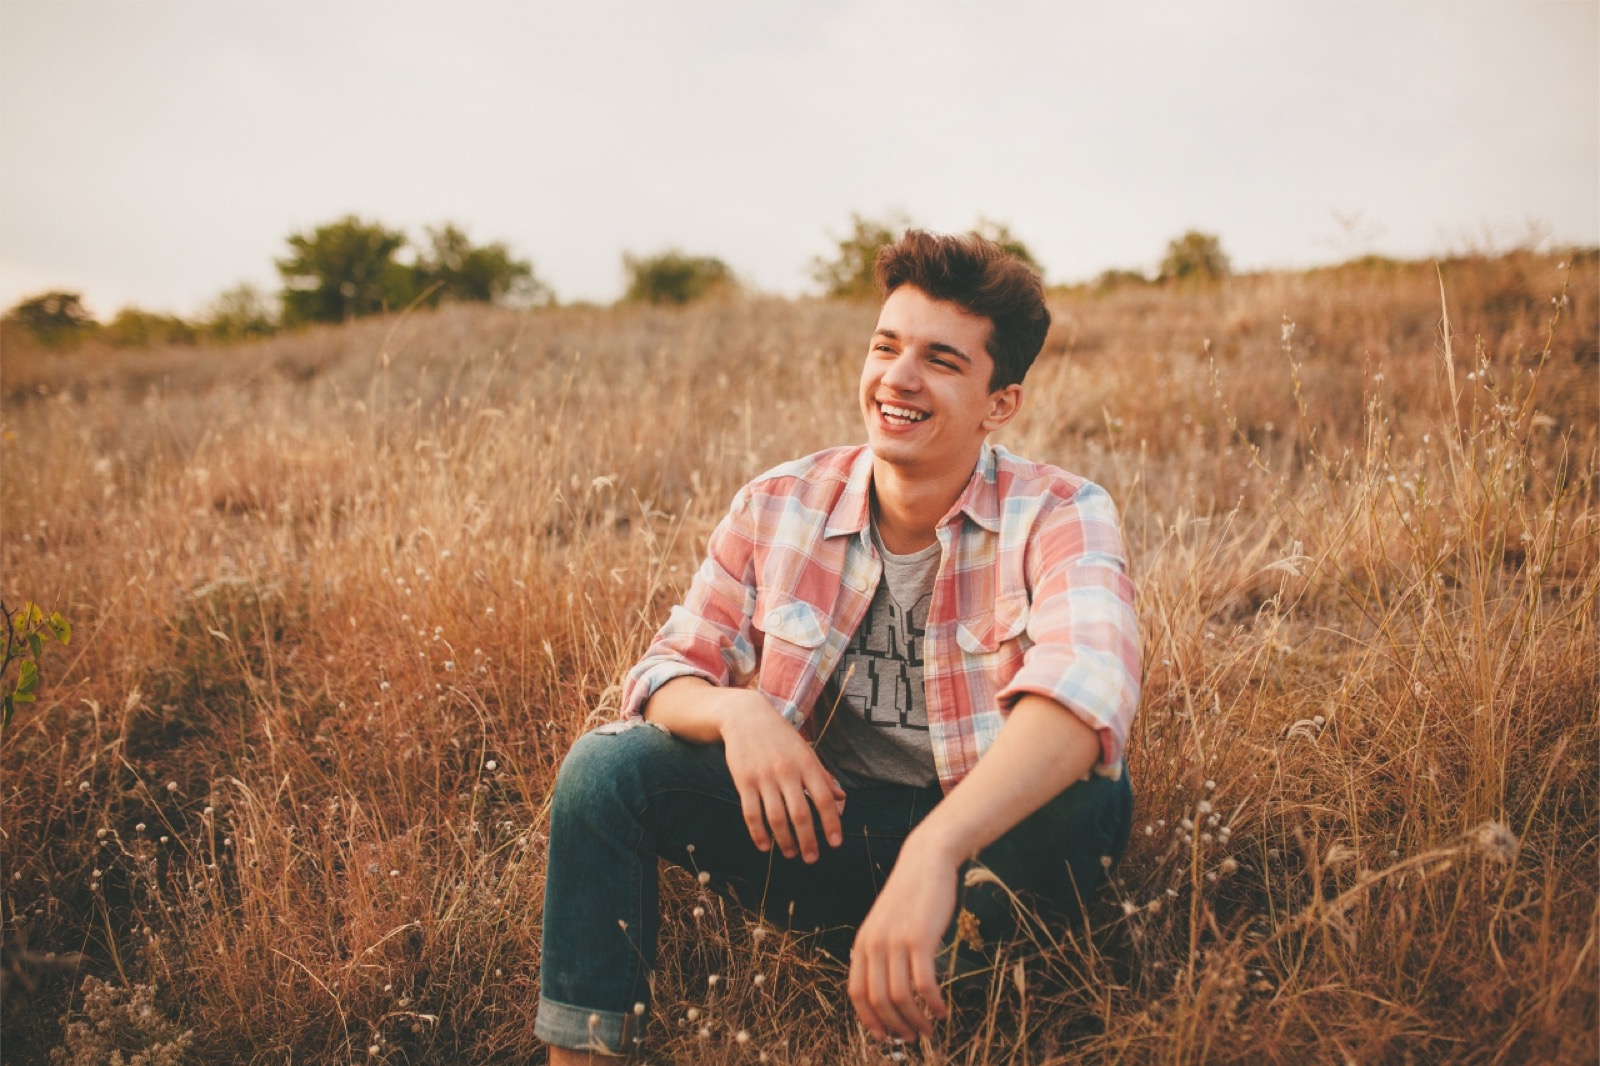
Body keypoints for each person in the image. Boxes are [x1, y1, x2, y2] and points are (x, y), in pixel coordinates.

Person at [536, 230, 1140, 1062]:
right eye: (885, 346)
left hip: (992, 840)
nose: (897, 377)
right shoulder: (781, 504)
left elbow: (1086, 697)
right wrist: (739, 712)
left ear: (1000, 403)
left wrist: (938, 850)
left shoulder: (1061, 512)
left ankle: (945, 997)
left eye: (941, 360)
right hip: (835, 833)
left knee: (1091, 792)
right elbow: (664, 673)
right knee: (606, 770)